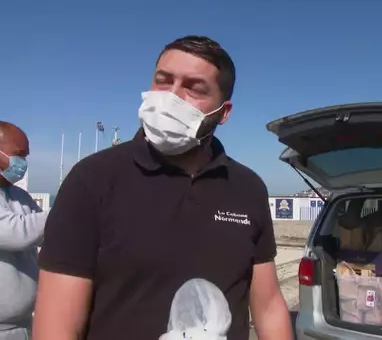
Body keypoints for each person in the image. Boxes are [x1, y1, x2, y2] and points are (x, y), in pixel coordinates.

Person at [33, 36, 293, 340]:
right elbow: (56, 325)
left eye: (194, 88)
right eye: (163, 81)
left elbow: (269, 307)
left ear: (224, 112)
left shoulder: (247, 187)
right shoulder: (92, 179)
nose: (171, 97)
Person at [0, 121, 47, 340]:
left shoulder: (20, 197)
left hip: (24, 325)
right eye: (19, 155)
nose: (22, 163)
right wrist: (68, 210)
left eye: (26, 156)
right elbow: (15, 233)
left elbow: (48, 234)